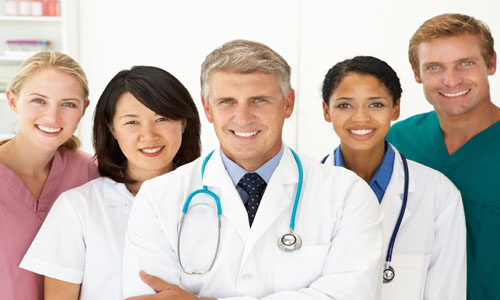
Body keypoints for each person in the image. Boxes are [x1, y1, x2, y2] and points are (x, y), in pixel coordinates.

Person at [122, 39, 383, 300]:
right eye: (227, 101)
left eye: (259, 100)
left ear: (288, 103)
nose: (243, 117)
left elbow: (353, 294)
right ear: (207, 108)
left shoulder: (347, 194)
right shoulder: (158, 198)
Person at [19, 66, 201, 300]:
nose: (149, 135)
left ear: (184, 123)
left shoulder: (215, 199)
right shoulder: (79, 206)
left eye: (162, 118)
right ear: (112, 128)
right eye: (132, 122)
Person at [321, 55, 466, 299]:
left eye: (376, 104)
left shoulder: (438, 192)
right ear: (326, 111)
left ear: (396, 108)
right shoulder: (299, 192)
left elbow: (447, 290)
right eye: (345, 105)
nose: (361, 117)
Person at [386, 13, 500, 299]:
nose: (451, 80)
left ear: (491, 63)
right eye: (435, 67)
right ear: (416, 73)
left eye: (466, 63)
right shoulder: (397, 141)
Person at [0, 52, 99, 300]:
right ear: (12, 100)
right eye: (39, 100)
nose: (53, 117)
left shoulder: (91, 174)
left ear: (84, 109)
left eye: (68, 104)